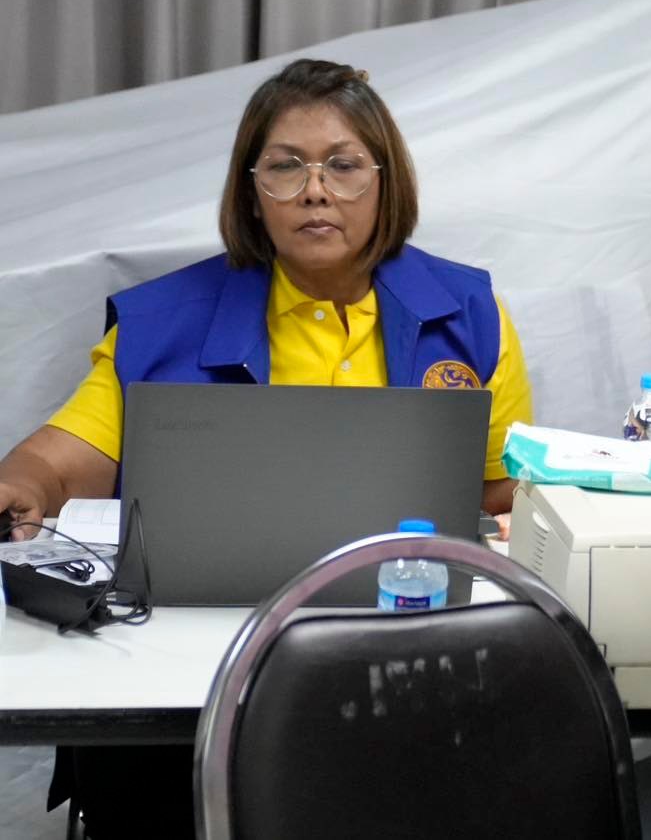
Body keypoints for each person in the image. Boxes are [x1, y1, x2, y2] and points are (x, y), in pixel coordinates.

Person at [0, 58, 532, 837]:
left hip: (399, 648)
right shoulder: (164, 322)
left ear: (384, 183)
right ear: (252, 191)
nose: (316, 191)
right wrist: (20, 485)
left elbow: (495, 494)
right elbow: (54, 463)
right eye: (286, 167)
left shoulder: (469, 315)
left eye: (343, 165)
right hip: (185, 672)